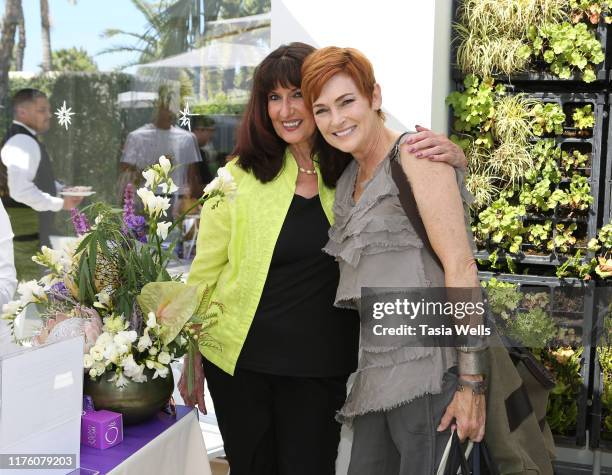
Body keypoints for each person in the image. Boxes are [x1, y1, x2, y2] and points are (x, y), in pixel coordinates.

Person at [178, 43, 467, 475]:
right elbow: (204, 273)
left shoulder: (349, 171)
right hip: (240, 366)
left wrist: (455, 162)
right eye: (273, 98)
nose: (286, 109)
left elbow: (437, 228)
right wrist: (192, 350)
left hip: (325, 368)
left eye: (297, 95)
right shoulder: (236, 178)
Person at [301, 46, 486, 475]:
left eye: (347, 102)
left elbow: (461, 266)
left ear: (374, 97)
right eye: (323, 109)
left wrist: (471, 382)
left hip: (431, 376)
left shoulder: (417, 157)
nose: (337, 119)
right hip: (375, 379)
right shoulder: (348, 179)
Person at [0, 88, 83, 247]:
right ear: (22, 112)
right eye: (41, 110)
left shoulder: (24, 138)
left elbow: (37, 179)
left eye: (49, 110)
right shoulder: (21, 142)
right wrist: (60, 203)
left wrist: (63, 190)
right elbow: (20, 191)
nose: (49, 115)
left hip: (33, 236)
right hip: (25, 241)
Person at [119, 87, 202, 210]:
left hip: (176, 201)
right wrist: (156, 169)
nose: (171, 112)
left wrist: (192, 204)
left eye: (174, 107)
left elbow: (192, 178)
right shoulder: (137, 137)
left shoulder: (187, 139)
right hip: (144, 200)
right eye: (166, 107)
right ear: (156, 108)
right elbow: (126, 176)